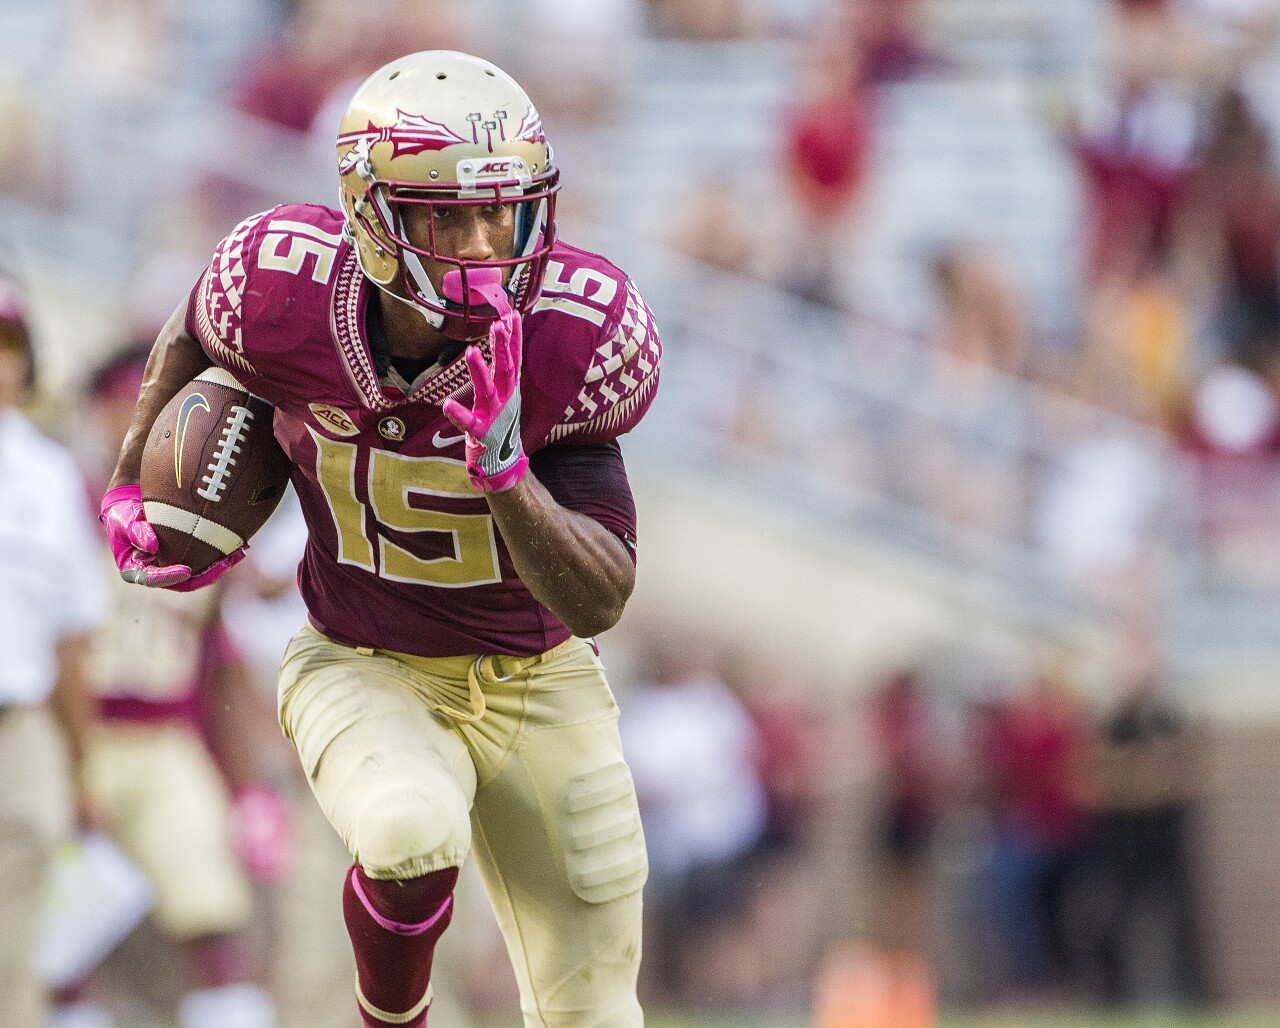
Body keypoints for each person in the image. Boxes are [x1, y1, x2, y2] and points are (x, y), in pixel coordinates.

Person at [99, 50, 661, 1028]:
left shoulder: (572, 332)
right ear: (371, 216)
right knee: (408, 828)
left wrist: (507, 476)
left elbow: (601, 597)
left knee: (597, 1007)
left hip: (541, 676)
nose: (485, 247)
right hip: (365, 659)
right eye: (449, 218)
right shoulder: (281, 285)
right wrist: (128, 475)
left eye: (504, 214)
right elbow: (194, 327)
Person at [61, 346, 282, 1028]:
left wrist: (246, 788)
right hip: (75, 738)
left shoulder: (198, 522)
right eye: (124, 403)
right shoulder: (59, 496)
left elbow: (216, 663)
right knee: (65, 935)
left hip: (164, 744)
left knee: (213, 917)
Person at [0, 278, 110, 1028]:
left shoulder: (49, 476)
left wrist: (80, 766)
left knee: (14, 945)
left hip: (20, 722)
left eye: (8, 346)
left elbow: (73, 635)